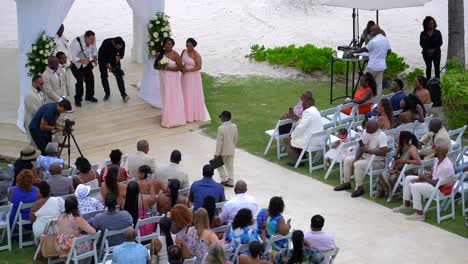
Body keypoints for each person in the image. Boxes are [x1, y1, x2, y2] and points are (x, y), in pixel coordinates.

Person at [393, 145, 454, 221]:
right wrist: (420, 179)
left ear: (440, 153)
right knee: (408, 179)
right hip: (434, 184)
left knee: (415, 187)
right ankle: (407, 205)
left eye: (436, 151)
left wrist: (424, 178)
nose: (434, 152)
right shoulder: (437, 160)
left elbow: (437, 184)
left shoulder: (446, 167)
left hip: (440, 190)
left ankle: (420, 214)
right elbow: (432, 175)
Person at [334, 119, 388, 197]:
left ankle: (359, 188)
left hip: (377, 162)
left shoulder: (381, 135)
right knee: (348, 160)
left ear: (374, 128)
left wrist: (368, 151)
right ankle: (347, 183)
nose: (365, 129)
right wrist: (356, 158)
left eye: (368, 127)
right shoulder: (366, 131)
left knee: (358, 164)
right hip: (365, 158)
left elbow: (383, 152)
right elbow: (361, 147)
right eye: (366, 126)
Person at [375, 131, 422, 198]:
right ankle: (381, 191)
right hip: (398, 169)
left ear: (404, 140)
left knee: (392, 178)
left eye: (398, 137)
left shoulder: (412, 148)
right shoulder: (399, 147)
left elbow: (419, 162)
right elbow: (395, 159)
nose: (397, 138)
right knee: (382, 174)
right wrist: (392, 168)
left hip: (407, 170)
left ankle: (393, 193)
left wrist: (405, 161)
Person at [352, 25, 391, 98]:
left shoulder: (373, 41)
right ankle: (376, 101)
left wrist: (354, 52)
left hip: (373, 66)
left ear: (376, 31)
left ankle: (360, 98)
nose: (370, 32)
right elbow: (389, 51)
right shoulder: (385, 39)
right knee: (378, 84)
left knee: (364, 82)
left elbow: (364, 49)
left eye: (371, 31)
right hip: (382, 66)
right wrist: (382, 56)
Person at [155, 37, 187, 128]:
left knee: (174, 97)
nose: (168, 46)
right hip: (164, 79)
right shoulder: (160, 54)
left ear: (173, 45)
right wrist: (161, 66)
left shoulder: (175, 55)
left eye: (170, 44)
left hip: (173, 79)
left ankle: (176, 118)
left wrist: (167, 68)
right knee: (166, 97)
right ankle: (167, 118)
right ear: (164, 45)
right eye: (166, 44)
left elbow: (180, 67)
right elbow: (155, 66)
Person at [284, 96, 323, 166]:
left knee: (287, 141)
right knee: (298, 136)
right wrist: (298, 120)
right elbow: (305, 123)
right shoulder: (316, 110)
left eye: (304, 104)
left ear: (308, 103)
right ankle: (302, 156)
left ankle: (298, 161)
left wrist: (291, 137)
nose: (302, 106)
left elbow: (300, 127)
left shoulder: (307, 111)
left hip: (310, 141)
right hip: (318, 139)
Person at [181, 38, 210, 122]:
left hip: (193, 76)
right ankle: (183, 113)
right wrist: (182, 67)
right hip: (184, 76)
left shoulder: (196, 54)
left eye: (189, 46)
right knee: (184, 93)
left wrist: (188, 70)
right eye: (186, 45)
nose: (187, 47)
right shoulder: (183, 51)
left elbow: (199, 66)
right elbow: (180, 60)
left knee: (191, 93)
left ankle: (192, 115)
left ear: (193, 46)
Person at [70, 30, 98, 107]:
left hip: (86, 62)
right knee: (80, 81)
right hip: (76, 64)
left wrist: (95, 58)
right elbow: (72, 56)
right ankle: (78, 100)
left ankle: (89, 96)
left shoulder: (92, 41)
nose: (93, 41)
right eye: (92, 39)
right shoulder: (76, 44)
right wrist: (81, 61)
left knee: (90, 79)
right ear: (86, 38)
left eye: (94, 39)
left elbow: (94, 50)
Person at [98, 36, 129, 102]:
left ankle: (124, 94)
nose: (119, 48)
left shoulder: (122, 43)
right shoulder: (105, 43)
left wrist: (119, 56)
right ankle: (107, 93)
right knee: (104, 76)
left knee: (119, 75)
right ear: (114, 43)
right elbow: (101, 56)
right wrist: (108, 65)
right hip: (103, 59)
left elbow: (122, 53)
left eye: (120, 47)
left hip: (114, 58)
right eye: (118, 47)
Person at [214, 110, 238, 187]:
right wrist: (233, 147)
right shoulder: (234, 126)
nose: (220, 118)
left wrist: (216, 154)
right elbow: (235, 138)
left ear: (224, 118)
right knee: (230, 166)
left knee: (217, 164)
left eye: (221, 117)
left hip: (222, 151)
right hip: (231, 150)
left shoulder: (221, 128)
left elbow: (219, 142)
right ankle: (231, 181)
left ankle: (224, 179)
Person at [24, 75, 46, 145]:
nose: (42, 85)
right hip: (32, 123)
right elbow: (35, 111)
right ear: (34, 83)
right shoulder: (29, 95)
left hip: (39, 122)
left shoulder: (40, 93)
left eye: (43, 83)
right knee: (33, 143)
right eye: (41, 84)